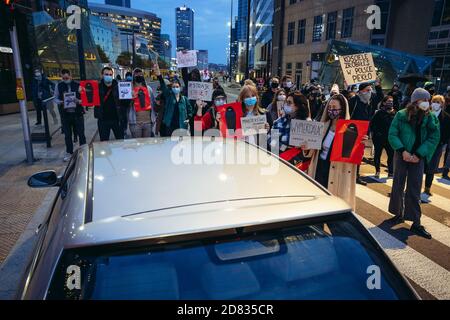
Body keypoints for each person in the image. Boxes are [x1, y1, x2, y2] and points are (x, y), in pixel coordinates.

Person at [387, 88, 440, 239]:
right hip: (401, 154)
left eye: (428, 100)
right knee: (397, 184)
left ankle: (416, 222)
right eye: (424, 100)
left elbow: (434, 137)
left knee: (415, 188)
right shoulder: (401, 114)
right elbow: (393, 134)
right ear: (415, 101)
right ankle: (398, 214)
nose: (427, 103)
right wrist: (402, 150)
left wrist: (419, 154)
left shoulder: (431, 117)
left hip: (418, 157)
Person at [306, 94, 360, 209]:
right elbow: (311, 151)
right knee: (317, 206)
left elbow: (351, 157)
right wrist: (306, 147)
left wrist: (360, 142)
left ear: (342, 109)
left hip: (337, 174)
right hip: (319, 170)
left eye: (335, 108)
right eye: (329, 107)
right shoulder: (322, 126)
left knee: (333, 207)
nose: (331, 110)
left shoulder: (350, 130)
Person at [349, 80, 384, 185]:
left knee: (359, 154)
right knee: (350, 153)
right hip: (352, 131)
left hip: (364, 132)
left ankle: (356, 175)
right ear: (361, 92)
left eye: (370, 90)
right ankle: (348, 174)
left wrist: (378, 85)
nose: (369, 92)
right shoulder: (354, 101)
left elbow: (380, 97)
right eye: (367, 90)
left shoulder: (371, 101)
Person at [268, 92, 311, 171]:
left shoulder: (307, 123)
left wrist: (306, 147)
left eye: (289, 102)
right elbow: (271, 140)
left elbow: (310, 148)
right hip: (278, 162)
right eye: (286, 102)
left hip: (298, 166)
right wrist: (286, 148)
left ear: (298, 106)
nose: (286, 104)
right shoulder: (279, 121)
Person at [53, 69, 86, 161]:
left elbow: (85, 98)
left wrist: (79, 101)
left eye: (66, 77)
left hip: (77, 113)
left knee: (81, 133)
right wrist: (61, 102)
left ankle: (84, 151)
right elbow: (55, 98)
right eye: (63, 78)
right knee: (67, 135)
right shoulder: (58, 86)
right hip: (65, 115)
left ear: (71, 76)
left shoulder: (78, 85)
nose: (65, 79)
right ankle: (69, 152)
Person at [153, 63, 193, 136]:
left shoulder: (184, 99)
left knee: (181, 146)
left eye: (177, 86)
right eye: (174, 87)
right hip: (170, 126)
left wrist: (188, 119)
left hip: (182, 126)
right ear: (171, 88)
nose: (175, 88)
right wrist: (159, 75)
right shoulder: (169, 96)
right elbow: (163, 85)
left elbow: (190, 110)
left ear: (180, 87)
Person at [424, 95, 450, 195]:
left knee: (432, 167)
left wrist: (442, 142)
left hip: (437, 145)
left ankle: (427, 187)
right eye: (434, 101)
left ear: (442, 104)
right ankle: (414, 186)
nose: (436, 104)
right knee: (420, 165)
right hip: (424, 143)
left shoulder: (446, 117)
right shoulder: (426, 114)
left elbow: (447, 132)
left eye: (438, 102)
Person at [369, 95, 396, 178]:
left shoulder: (395, 113)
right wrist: (376, 133)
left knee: (391, 155)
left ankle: (391, 172)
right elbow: (372, 124)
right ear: (384, 103)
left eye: (391, 102)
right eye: (388, 102)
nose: (390, 103)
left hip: (390, 139)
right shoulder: (379, 112)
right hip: (379, 138)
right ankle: (377, 171)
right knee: (377, 154)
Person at [95, 67, 124, 141]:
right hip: (103, 120)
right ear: (102, 75)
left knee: (120, 141)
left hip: (117, 119)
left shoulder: (118, 86)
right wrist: (81, 91)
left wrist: (130, 96)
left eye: (110, 74)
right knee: (104, 143)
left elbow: (124, 102)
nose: (109, 76)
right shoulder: (97, 87)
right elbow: (89, 97)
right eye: (106, 74)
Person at [128, 73, 152, 138]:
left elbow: (152, 103)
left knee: (146, 145)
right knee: (137, 145)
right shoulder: (130, 90)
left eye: (140, 74)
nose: (138, 75)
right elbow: (126, 106)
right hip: (135, 124)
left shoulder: (148, 89)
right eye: (136, 74)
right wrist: (131, 97)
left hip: (147, 123)